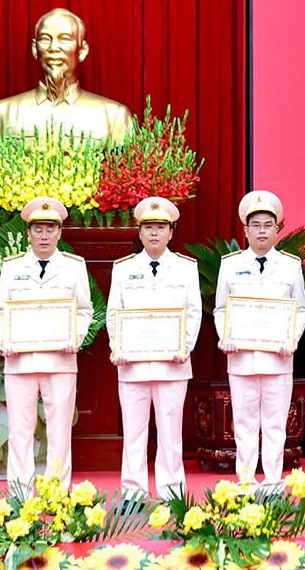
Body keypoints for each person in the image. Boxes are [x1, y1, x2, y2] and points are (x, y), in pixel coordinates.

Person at [0, 196, 92, 491]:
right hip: (20, 359)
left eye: (50, 229)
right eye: (38, 229)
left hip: (60, 360)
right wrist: (4, 340)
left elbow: (84, 310)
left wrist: (75, 337)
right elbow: (0, 311)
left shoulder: (74, 267)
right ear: (29, 233)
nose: (44, 235)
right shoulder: (12, 267)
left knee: (59, 431)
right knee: (19, 432)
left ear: (60, 232)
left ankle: (55, 495)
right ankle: (19, 495)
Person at [106, 197, 201, 499]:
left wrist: (184, 346)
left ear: (171, 233)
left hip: (172, 363)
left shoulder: (186, 268)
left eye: (161, 227)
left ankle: (172, 493)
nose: (154, 233)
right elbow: (114, 313)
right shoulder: (123, 269)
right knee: (134, 433)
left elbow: (193, 312)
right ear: (140, 232)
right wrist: (118, 347)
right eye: (148, 227)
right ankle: (132, 493)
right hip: (132, 364)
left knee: (170, 433)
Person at [213, 190, 305, 485]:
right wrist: (225, 336)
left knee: (275, 425)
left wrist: (291, 339)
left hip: (278, 358)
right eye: (256, 225)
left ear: (277, 230)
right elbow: (221, 309)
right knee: (243, 424)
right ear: (245, 230)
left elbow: (301, 310)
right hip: (241, 358)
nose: (262, 231)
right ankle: (245, 482)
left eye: (268, 225)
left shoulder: (290, 265)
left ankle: (272, 482)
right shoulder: (230, 264)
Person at [0, 8, 132, 142]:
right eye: (45, 39)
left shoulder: (114, 116)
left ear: (82, 51)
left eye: (64, 39)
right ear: (35, 49)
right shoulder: (0, 113)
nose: (53, 47)